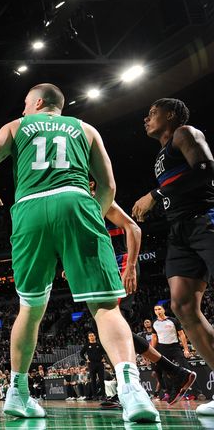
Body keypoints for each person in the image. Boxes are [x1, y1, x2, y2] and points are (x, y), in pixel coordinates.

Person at [0, 83, 158, 422]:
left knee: (29, 308)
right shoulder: (86, 129)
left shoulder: (16, 126)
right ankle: (132, 392)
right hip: (75, 200)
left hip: (29, 208)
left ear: (39, 102)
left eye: (26, 102)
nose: (23, 108)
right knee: (105, 307)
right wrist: (93, 214)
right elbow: (108, 186)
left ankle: (16, 393)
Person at [131, 97, 214, 415]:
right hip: (179, 232)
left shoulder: (185, 133)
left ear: (171, 115)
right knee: (181, 306)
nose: (146, 118)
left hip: (205, 218)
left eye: (152, 113)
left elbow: (206, 170)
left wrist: (156, 194)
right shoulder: (161, 153)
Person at [87, 180, 196, 406]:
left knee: (112, 329)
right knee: (116, 331)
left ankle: (135, 386)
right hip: (103, 268)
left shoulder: (100, 200)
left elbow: (133, 228)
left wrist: (129, 266)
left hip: (118, 266)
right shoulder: (81, 204)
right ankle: (171, 373)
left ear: (91, 183)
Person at [151, 304, 192, 400]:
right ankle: (169, 394)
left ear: (164, 310)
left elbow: (181, 334)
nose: (157, 311)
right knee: (165, 372)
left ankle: (192, 392)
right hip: (162, 348)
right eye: (155, 309)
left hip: (175, 347)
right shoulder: (154, 323)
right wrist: (152, 351)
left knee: (185, 367)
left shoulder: (173, 320)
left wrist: (186, 349)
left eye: (159, 309)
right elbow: (154, 338)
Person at [81, 332, 106, 400]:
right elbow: (81, 353)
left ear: (95, 336)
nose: (91, 337)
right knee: (93, 380)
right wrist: (86, 360)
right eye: (90, 336)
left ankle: (104, 395)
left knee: (101, 380)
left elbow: (105, 352)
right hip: (91, 364)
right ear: (88, 338)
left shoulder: (99, 344)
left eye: (92, 336)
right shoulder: (87, 345)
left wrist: (104, 358)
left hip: (100, 364)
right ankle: (95, 396)